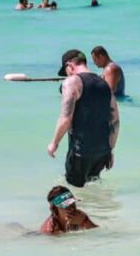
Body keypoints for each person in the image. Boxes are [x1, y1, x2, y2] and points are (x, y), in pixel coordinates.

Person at [48, 49, 119, 187]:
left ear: (70, 65)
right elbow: (115, 121)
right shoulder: (104, 83)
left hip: (80, 153)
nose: (67, 75)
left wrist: (54, 143)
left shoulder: (72, 82)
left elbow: (65, 118)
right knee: (93, 190)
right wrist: (110, 149)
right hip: (102, 152)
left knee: (74, 193)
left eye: (66, 71)